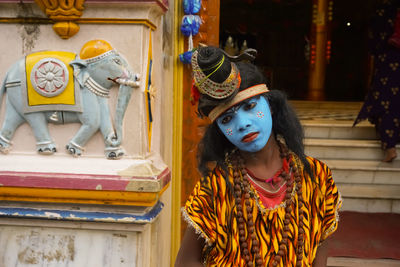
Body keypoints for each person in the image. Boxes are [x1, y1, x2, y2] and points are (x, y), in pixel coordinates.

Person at [175, 46, 342, 267]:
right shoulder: (216, 188)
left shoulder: (316, 176)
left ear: (271, 106)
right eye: (227, 120)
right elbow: (185, 262)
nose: (243, 123)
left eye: (250, 106)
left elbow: (320, 242)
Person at [354, 0, 400, 162]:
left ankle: (390, 146)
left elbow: (375, 39)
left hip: (390, 60)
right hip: (391, 60)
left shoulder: (385, 9)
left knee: (385, 102)